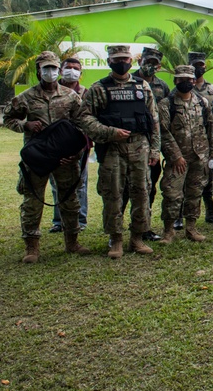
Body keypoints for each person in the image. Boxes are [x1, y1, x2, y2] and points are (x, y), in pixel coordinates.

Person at [3, 51, 91, 262]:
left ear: (59, 70)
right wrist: (26, 125)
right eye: (46, 68)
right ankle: (31, 247)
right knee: (32, 201)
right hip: (38, 158)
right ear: (38, 71)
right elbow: (8, 118)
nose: (50, 72)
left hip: (65, 159)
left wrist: (76, 153)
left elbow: (82, 124)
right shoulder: (26, 97)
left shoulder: (71, 97)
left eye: (53, 68)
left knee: (69, 200)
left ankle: (72, 242)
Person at [80, 44, 160, 258]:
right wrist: (109, 132)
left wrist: (155, 150)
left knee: (142, 192)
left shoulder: (142, 87)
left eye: (124, 59)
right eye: (116, 60)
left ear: (131, 62)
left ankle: (137, 238)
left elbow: (154, 120)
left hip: (140, 147)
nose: (121, 63)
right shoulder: (99, 88)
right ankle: (115, 240)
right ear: (109, 62)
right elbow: (84, 118)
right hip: (112, 148)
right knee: (113, 194)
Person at [157, 65, 213, 243]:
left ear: (194, 80)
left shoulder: (202, 102)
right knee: (172, 194)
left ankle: (191, 228)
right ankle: (168, 230)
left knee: (195, 193)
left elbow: (210, 129)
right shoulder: (166, 104)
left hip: (200, 156)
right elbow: (163, 132)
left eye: (189, 79)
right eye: (181, 79)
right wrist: (175, 156)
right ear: (175, 81)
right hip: (178, 159)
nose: (185, 82)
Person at [124, 46, 169, 240]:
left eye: (154, 63)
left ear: (158, 66)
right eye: (147, 61)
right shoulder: (129, 81)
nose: (150, 66)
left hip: (153, 143)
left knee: (149, 186)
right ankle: (117, 228)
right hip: (130, 141)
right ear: (140, 61)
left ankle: (145, 226)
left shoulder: (162, 86)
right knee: (125, 187)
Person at [49, 56, 89, 234]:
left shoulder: (86, 93)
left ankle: (80, 219)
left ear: (80, 73)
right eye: (68, 67)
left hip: (80, 147)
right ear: (60, 70)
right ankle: (59, 221)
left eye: (75, 68)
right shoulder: (52, 91)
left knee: (80, 183)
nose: (71, 70)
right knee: (56, 183)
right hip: (56, 146)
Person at [189, 51, 213, 226]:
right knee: (186, 179)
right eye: (195, 65)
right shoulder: (184, 88)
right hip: (187, 141)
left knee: (209, 176)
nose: (199, 68)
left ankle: (210, 212)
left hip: (210, 140)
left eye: (201, 65)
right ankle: (183, 216)